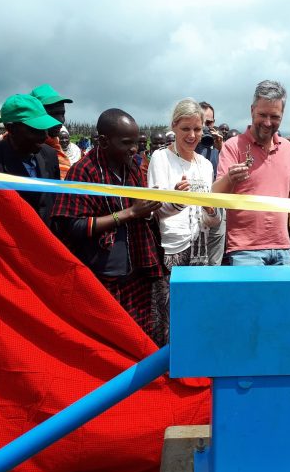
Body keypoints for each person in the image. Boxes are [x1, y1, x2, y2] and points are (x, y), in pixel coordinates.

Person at [51, 109, 165, 345]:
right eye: (126, 143)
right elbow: (71, 225)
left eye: (135, 142)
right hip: (102, 277)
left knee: (139, 340)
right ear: (103, 141)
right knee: (109, 343)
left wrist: (148, 209)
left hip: (135, 273)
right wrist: (130, 213)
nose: (134, 149)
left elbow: (139, 211)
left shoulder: (131, 167)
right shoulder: (83, 172)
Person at [213, 80, 290, 265]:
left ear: (282, 115)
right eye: (262, 115)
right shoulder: (233, 146)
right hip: (245, 251)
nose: (267, 123)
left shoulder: (287, 148)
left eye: (274, 117)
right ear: (252, 110)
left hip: (283, 248)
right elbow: (216, 194)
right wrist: (229, 178)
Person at [147, 99, 221, 340]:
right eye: (185, 128)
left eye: (197, 129)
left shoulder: (206, 165)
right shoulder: (161, 158)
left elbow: (211, 222)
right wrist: (177, 200)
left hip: (200, 251)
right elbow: (155, 209)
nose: (192, 135)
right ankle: (166, 364)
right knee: (169, 322)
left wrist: (211, 211)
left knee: (195, 316)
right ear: (174, 127)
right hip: (170, 252)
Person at [0, 94, 62, 225]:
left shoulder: (49, 155)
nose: (45, 136)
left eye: (45, 129)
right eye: (36, 129)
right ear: (11, 128)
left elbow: (53, 201)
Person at [196, 101, 225, 266]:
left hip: (216, 206)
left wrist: (222, 148)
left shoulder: (218, 146)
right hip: (194, 208)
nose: (207, 127)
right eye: (203, 123)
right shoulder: (188, 146)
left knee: (215, 260)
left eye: (210, 123)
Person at [30, 83, 73, 179]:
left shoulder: (55, 149)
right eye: (54, 114)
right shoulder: (24, 149)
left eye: (62, 114)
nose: (61, 120)